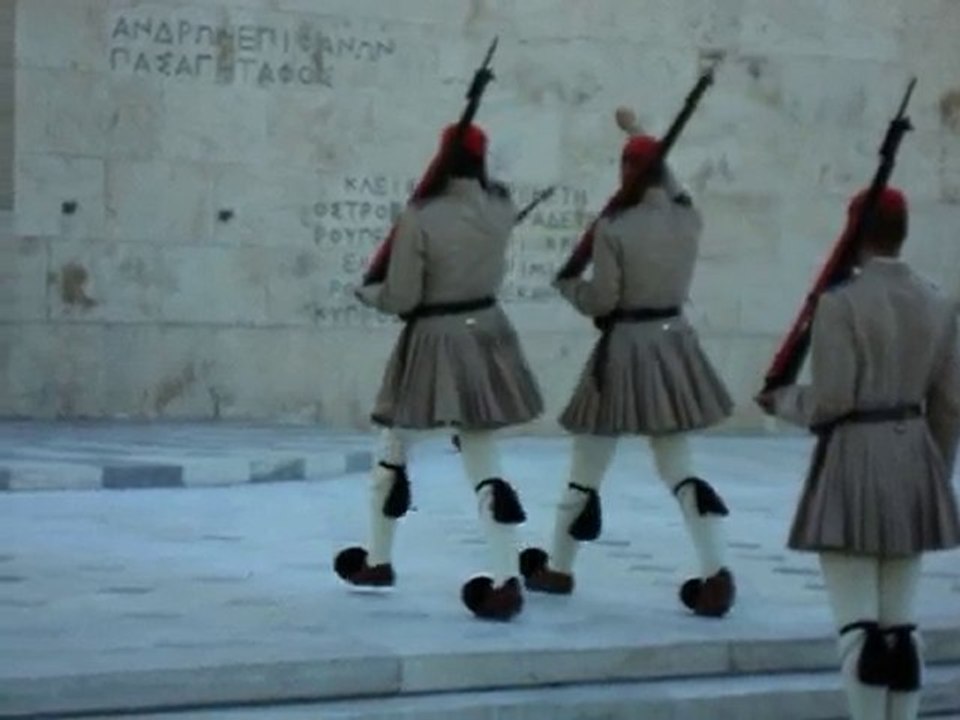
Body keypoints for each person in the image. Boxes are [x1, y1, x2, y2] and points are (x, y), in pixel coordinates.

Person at [755, 186, 960, 720]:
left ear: (855, 232)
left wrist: (782, 401)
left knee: (859, 628)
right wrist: (933, 472)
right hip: (914, 454)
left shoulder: (841, 302)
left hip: (855, 459)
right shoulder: (938, 299)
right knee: (900, 627)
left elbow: (832, 400)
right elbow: (950, 403)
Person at [520, 130, 737, 618]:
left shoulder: (614, 229)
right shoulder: (687, 217)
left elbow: (604, 301)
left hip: (625, 349)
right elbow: (675, 189)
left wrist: (570, 287)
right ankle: (716, 569)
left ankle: (558, 565)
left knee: (587, 463)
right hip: (674, 343)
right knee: (680, 467)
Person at [333, 123, 544, 621]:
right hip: (488, 332)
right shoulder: (499, 207)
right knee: (482, 455)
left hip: (436, 339)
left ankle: (380, 559)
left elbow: (402, 295)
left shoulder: (423, 216)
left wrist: (371, 293)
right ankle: (504, 575)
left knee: (394, 448)